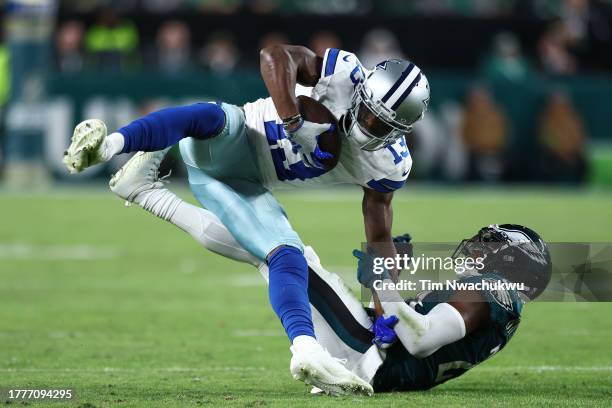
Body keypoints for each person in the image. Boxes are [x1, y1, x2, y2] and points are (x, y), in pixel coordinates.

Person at [62, 44, 430, 395]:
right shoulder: (343, 73)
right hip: (231, 140)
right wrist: (293, 121)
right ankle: (108, 146)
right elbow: (273, 55)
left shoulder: (389, 163)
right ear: (362, 91)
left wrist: (387, 305)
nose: (367, 125)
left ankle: (305, 348)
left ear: (401, 131)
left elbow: (380, 238)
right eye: (367, 112)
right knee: (212, 116)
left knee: (284, 253)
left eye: (381, 126)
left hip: (246, 185)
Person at [91, 155, 552, 394]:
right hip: (378, 361)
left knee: (281, 251)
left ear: (511, 263)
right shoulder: (503, 311)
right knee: (276, 253)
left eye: (492, 246)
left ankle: (146, 192)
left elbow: (418, 340)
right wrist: (389, 285)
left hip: (372, 359)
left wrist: (382, 274)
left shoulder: (489, 291)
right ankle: (146, 192)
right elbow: (410, 332)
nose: (478, 248)